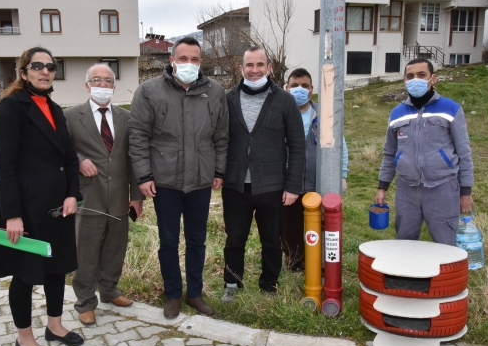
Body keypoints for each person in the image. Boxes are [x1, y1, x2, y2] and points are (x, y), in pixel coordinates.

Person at [0, 47, 84, 346]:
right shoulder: (11, 108)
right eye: (37, 66)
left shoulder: (53, 107)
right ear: (24, 72)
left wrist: (72, 194)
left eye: (50, 66)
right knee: (24, 274)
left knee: (56, 269)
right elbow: (5, 166)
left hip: (57, 206)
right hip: (25, 208)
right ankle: (24, 338)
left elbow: (69, 156)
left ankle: (55, 326)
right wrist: (12, 215)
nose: (45, 71)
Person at [128, 37, 229, 319]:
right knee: (168, 241)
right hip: (165, 182)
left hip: (200, 181)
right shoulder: (149, 91)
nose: (189, 64)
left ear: (201, 62)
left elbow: (222, 136)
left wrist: (219, 170)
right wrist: (144, 175)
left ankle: (194, 293)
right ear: (171, 60)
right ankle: (173, 294)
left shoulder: (215, 91)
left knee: (197, 240)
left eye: (195, 59)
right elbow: (138, 137)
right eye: (183, 58)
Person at [221, 47, 305, 303]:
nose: (254, 70)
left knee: (271, 240)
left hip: (272, 185)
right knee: (235, 239)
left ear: (269, 67)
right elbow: (219, 139)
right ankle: (232, 283)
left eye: (260, 64)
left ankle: (269, 284)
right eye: (249, 65)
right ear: (241, 69)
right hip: (236, 185)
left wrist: (292, 187)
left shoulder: (284, 100)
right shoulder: (228, 100)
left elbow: (297, 145)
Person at [64, 63, 144, 326]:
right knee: (86, 252)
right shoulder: (71, 116)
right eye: (96, 80)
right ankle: (85, 302)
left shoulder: (126, 117)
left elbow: (134, 158)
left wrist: (136, 196)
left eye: (107, 80)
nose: (102, 85)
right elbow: (60, 152)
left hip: (120, 197)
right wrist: (78, 160)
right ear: (87, 85)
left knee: (114, 249)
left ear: (113, 86)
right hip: (89, 197)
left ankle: (110, 290)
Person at [374, 58, 474, 245]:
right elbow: (389, 154)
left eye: (421, 75)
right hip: (406, 189)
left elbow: (464, 153)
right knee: (405, 241)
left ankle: (442, 275)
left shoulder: (451, 109)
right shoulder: (397, 113)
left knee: (444, 244)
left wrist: (466, 191)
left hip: (442, 187)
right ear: (404, 80)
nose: (415, 80)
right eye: (410, 76)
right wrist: (382, 187)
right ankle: (406, 275)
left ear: (432, 78)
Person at [282, 68, 349, 271]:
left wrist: (342, 174)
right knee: (289, 228)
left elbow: (340, 145)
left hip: (317, 183)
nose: (299, 89)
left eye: (304, 85)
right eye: (294, 85)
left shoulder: (323, 115)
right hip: (288, 185)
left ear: (311, 89)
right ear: (287, 88)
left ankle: (319, 264)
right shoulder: (279, 114)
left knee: (319, 226)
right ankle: (295, 264)